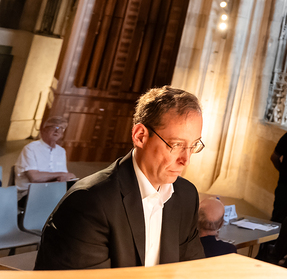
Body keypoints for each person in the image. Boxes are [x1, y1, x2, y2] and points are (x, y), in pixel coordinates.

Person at [34, 86, 206, 269]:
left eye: (194, 145)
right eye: (176, 145)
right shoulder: (90, 202)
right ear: (140, 136)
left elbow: (191, 271)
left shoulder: (186, 195)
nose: (186, 160)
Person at [14, 115, 75, 198]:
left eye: (61, 128)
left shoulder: (61, 151)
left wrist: (67, 177)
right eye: (54, 127)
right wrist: (61, 174)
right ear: (44, 129)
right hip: (29, 194)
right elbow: (34, 177)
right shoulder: (31, 148)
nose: (57, 131)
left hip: (52, 192)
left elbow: (64, 177)